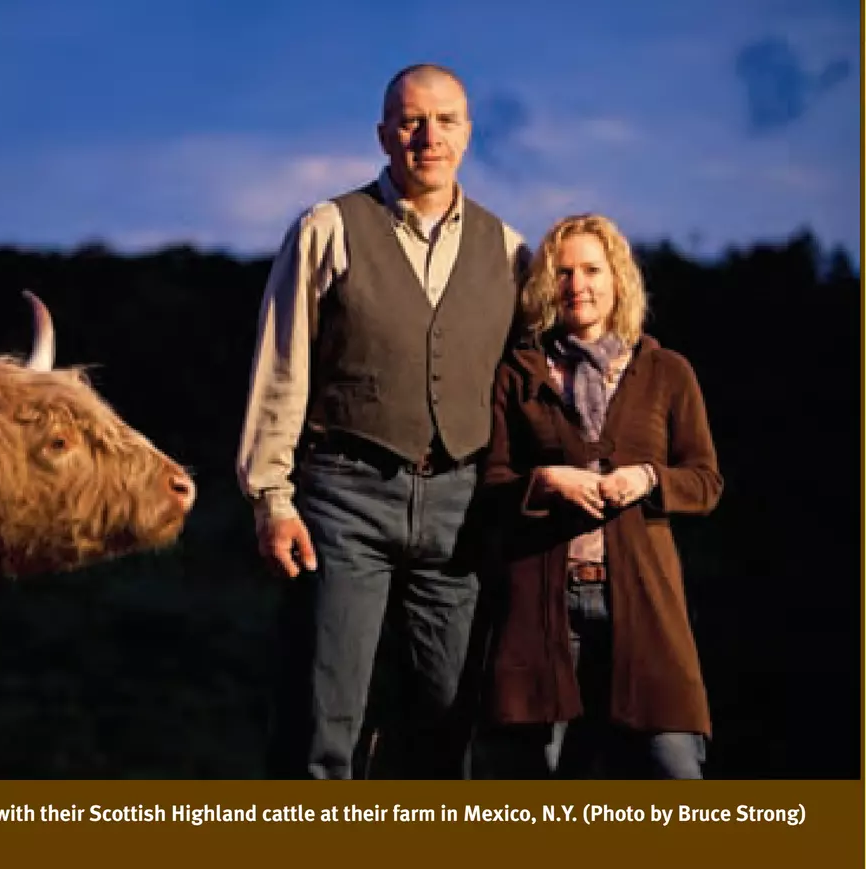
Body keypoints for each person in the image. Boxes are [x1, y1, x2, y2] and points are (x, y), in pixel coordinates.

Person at [238, 64, 527, 779]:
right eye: (410, 120)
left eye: (446, 120)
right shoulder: (327, 228)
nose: (428, 136)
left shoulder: (512, 250)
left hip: (460, 509)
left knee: (442, 719)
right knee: (323, 714)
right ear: (383, 134)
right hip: (343, 494)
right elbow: (281, 368)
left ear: (469, 132)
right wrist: (272, 498)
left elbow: (530, 389)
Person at [478, 215, 723, 777]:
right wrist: (545, 481)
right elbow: (490, 486)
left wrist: (648, 479)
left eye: (591, 269)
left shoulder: (665, 372)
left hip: (644, 602)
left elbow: (706, 481)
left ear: (618, 280)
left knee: (674, 764)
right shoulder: (518, 372)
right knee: (541, 777)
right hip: (543, 604)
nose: (576, 285)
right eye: (562, 273)